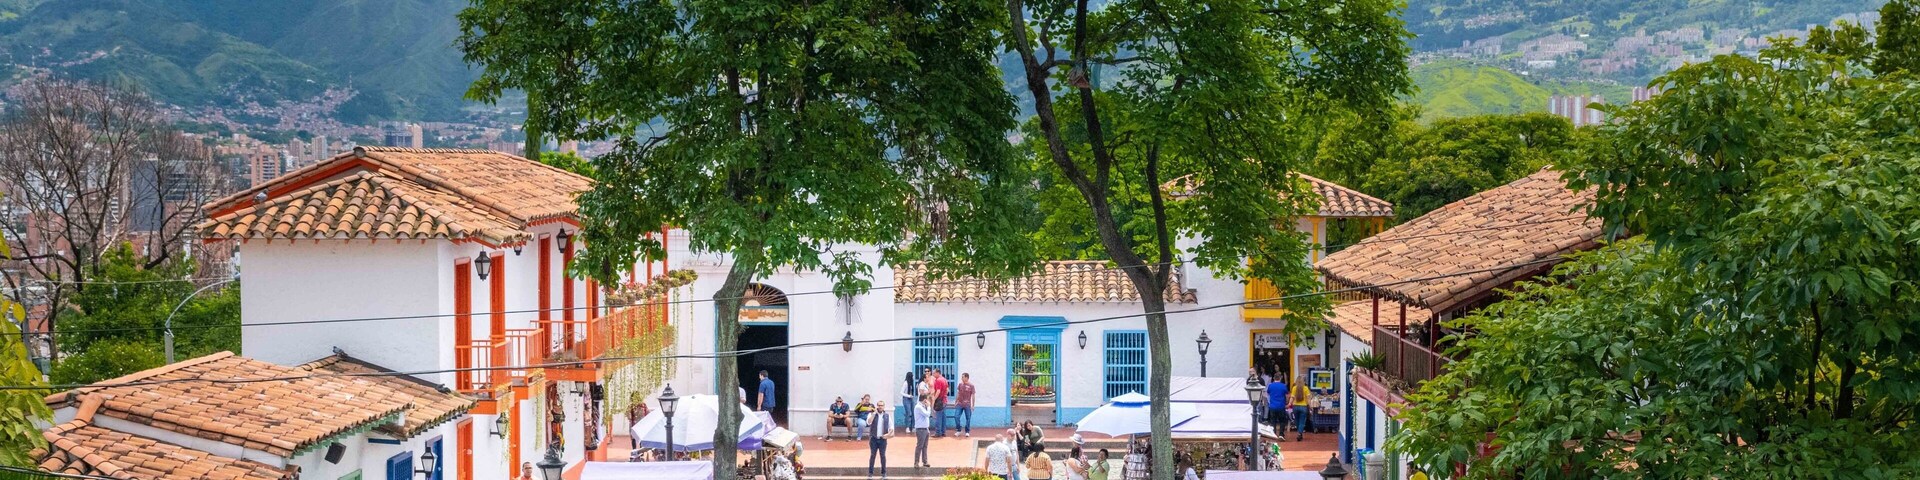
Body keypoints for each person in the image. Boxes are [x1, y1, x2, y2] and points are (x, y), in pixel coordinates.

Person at [868, 400, 893, 479]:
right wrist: (874, 413)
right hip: (873, 439)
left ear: (884, 406)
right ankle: (870, 474)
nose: (880, 407)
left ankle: (884, 473)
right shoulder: (872, 414)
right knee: (872, 456)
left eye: (881, 405)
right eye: (878, 405)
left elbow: (891, 428)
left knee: (883, 456)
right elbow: (869, 422)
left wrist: (888, 434)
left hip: (882, 440)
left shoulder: (887, 416)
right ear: (876, 406)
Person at [913, 394, 933, 468]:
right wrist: (929, 407)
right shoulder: (918, 407)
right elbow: (927, 414)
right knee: (919, 446)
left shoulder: (923, 406)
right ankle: (916, 462)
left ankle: (925, 461)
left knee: (925, 446)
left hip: (925, 428)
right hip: (920, 429)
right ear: (925, 400)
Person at [955, 373, 976, 437]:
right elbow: (958, 393)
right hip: (960, 403)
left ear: (967, 378)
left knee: (968, 418)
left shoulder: (971, 385)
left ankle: (967, 431)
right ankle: (959, 430)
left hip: (967, 404)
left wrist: (973, 405)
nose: (962, 378)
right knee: (956, 416)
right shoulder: (960, 384)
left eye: (963, 377)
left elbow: (973, 395)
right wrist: (956, 401)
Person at [931, 369, 950, 437]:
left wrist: (934, 399)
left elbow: (938, 391)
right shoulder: (944, 380)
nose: (933, 375)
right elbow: (947, 390)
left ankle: (938, 432)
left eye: (934, 373)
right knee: (943, 417)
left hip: (940, 401)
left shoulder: (938, 380)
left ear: (938, 373)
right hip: (944, 400)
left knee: (938, 417)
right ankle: (943, 432)